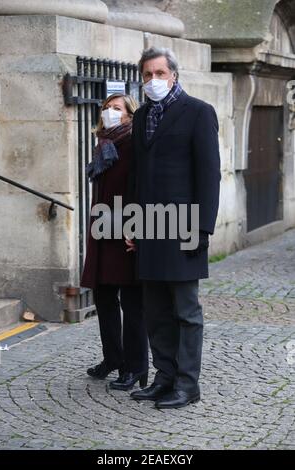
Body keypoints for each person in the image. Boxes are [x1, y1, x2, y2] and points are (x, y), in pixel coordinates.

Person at [128, 47, 221, 409]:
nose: (153, 81)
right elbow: (137, 175)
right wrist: (132, 223)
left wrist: (201, 229)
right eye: (147, 75)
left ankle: (187, 384)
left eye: (159, 74)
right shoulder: (141, 118)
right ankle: (164, 377)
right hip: (149, 229)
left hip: (184, 227)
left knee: (185, 311)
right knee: (155, 311)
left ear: (174, 75)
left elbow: (209, 176)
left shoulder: (198, 112)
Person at [81, 93, 148, 391]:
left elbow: (141, 189)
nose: (109, 112)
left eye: (117, 108)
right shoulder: (104, 144)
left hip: (125, 230)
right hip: (102, 228)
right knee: (104, 298)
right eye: (107, 108)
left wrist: (138, 229)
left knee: (132, 302)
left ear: (130, 115)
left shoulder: (134, 144)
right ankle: (114, 359)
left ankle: (136, 367)